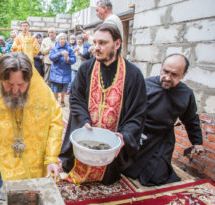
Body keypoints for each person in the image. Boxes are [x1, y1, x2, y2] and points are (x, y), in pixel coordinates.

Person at [59, 23, 147, 185]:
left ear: (117, 44)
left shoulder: (133, 75)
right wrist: (84, 120)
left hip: (112, 140)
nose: (96, 48)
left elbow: (138, 112)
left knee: (108, 178)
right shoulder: (86, 69)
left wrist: (124, 136)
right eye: (94, 43)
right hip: (86, 131)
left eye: (102, 43)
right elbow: (76, 98)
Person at [0, 52, 63, 181]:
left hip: (36, 169)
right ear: (0, 79)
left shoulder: (44, 95)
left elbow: (54, 124)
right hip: (1, 170)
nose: (15, 90)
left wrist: (51, 158)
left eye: (21, 85)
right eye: (9, 85)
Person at [123, 54, 205, 186]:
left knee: (156, 178)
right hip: (139, 133)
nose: (167, 78)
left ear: (183, 75)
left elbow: (191, 120)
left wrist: (197, 142)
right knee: (124, 169)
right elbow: (128, 112)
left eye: (174, 75)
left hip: (162, 138)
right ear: (161, 68)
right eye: (165, 71)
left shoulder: (186, 94)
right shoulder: (145, 85)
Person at [49, 33, 76, 107]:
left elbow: (74, 60)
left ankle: (62, 101)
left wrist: (68, 59)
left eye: (64, 38)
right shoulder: (54, 48)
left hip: (65, 71)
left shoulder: (69, 49)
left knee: (64, 89)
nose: (63, 40)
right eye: (61, 38)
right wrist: (60, 54)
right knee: (55, 89)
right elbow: (51, 57)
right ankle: (55, 101)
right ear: (58, 40)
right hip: (56, 72)